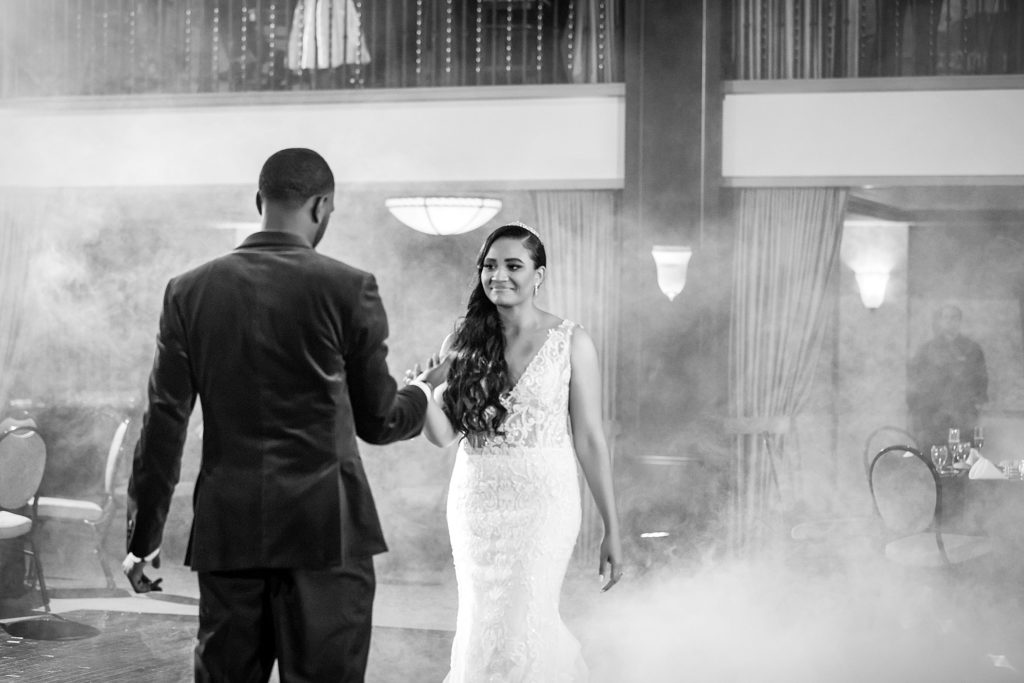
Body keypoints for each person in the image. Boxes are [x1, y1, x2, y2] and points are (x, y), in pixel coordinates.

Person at [123, 148, 429, 682]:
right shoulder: (349, 287)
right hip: (326, 534)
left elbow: (163, 426)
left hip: (229, 531)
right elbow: (379, 422)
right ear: (322, 206)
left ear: (259, 200)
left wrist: (142, 538)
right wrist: (421, 394)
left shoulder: (188, 291)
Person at [412, 222, 623, 682]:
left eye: (513, 265)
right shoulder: (462, 340)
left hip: (543, 501)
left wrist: (612, 526)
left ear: (538, 274)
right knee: (480, 624)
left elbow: (589, 438)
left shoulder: (571, 341)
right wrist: (421, 392)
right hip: (476, 503)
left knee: (526, 620)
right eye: (490, 266)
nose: (498, 276)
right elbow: (445, 435)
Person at [907, 303, 988, 453]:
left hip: (963, 413)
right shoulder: (927, 349)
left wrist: (978, 403)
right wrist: (917, 409)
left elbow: (981, 378)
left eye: (954, 317)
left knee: (963, 456)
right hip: (934, 415)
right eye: (946, 317)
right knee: (936, 454)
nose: (950, 321)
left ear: (959, 321)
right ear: (940, 321)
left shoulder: (972, 349)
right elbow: (916, 380)